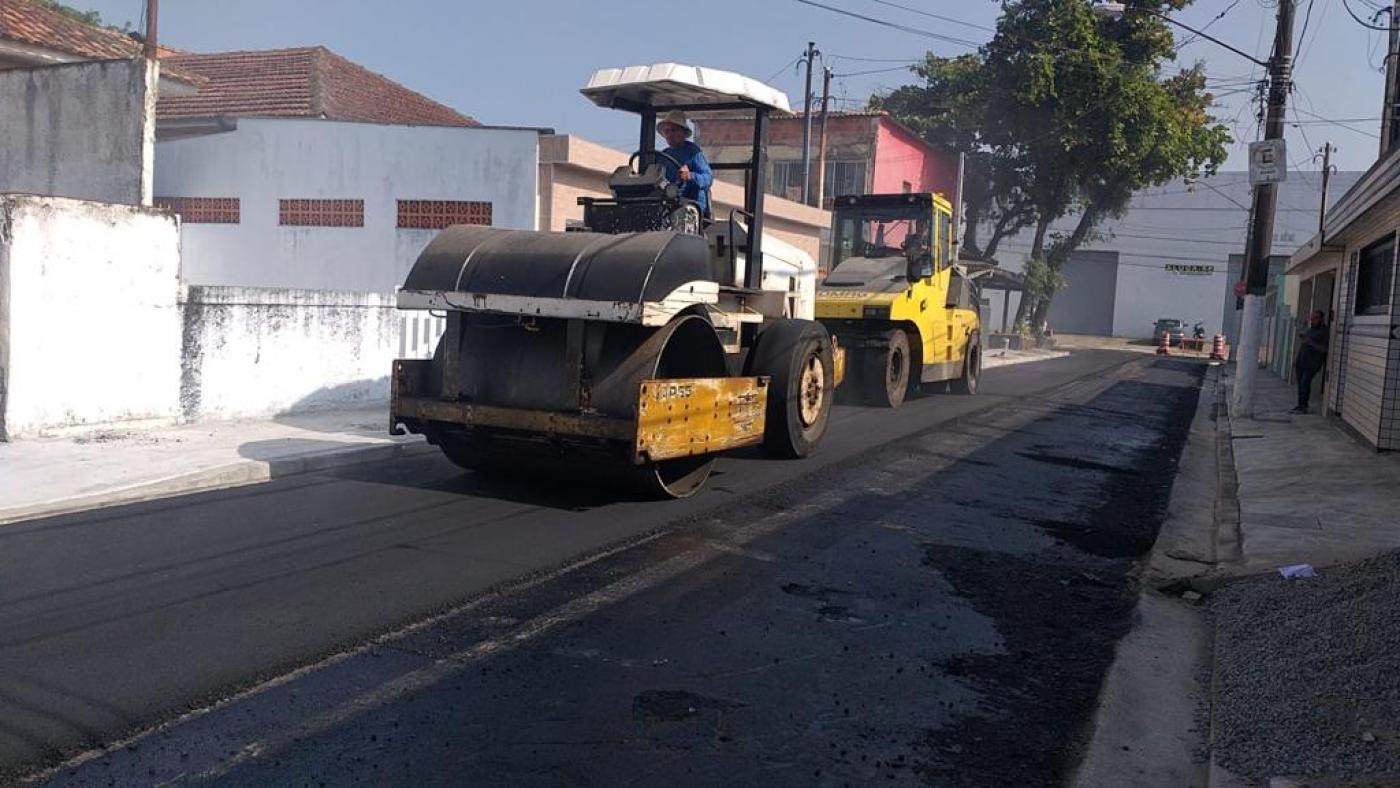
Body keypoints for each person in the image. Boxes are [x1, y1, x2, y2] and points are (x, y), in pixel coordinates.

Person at [656, 109, 714, 217]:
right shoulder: (662, 156)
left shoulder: (693, 152)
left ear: (682, 132)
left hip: (691, 205)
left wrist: (690, 176)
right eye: (667, 131)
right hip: (669, 202)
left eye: (673, 130)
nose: (670, 135)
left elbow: (708, 178)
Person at [1292, 309, 1329, 414]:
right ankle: (1300, 405)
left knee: (1305, 383)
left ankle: (1304, 407)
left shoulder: (1324, 331)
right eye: (1311, 318)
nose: (1313, 320)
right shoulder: (1310, 330)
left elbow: (1324, 349)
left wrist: (1311, 342)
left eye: (1315, 318)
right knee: (1300, 384)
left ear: (1321, 319)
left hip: (1312, 364)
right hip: (1302, 361)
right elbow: (1304, 345)